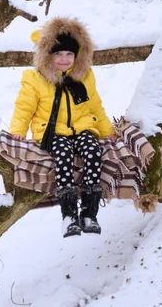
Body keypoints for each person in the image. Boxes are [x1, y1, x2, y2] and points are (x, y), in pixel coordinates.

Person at [9, 17, 116, 238]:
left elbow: (95, 106)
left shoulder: (84, 77)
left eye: (69, 54)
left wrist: (107, 131)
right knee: (64, 157)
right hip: (53, 132)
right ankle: (69, 216)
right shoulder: (36, 79)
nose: (64, 59)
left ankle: (89, 213)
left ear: (78, 55)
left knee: (93, 152)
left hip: (83, 129)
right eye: (58, 54)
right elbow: (24, 107)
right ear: (48, 55)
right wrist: (18, 130)